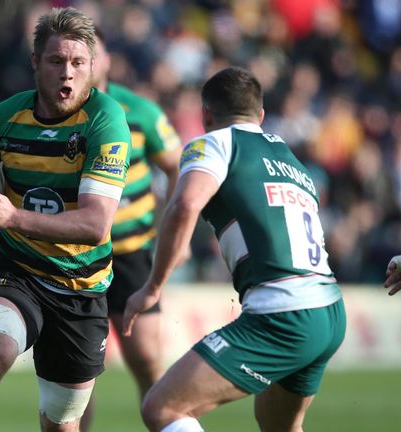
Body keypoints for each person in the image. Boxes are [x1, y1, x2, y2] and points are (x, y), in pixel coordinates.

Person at [0, 7, 130, 432]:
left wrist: (13, 215)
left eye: (78, 63)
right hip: (18, 271)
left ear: (92, 66)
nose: (67, 74)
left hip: (81, 287)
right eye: (56, 61)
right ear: (36, 63)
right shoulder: (3, 120)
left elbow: (95, 226)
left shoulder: (106, 123)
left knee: (61, 423)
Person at [123, 67, 346, 432]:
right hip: (329, 311)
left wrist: (152, 287)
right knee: (278, 425)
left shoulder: (213, 143)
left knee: (163, 408)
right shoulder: (288, 157)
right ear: (260, 116)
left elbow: (184, 205)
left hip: (281, 312)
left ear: (206, 116)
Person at [80, 28, 182, 432]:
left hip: (131, 253)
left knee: (146, 358)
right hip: (77, 256)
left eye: (93, 54)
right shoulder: (61, 113)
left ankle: (169, 425)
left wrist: (174, 230)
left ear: (105, 61)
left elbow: (178, 167)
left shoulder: (140, 111)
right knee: (77, 373)